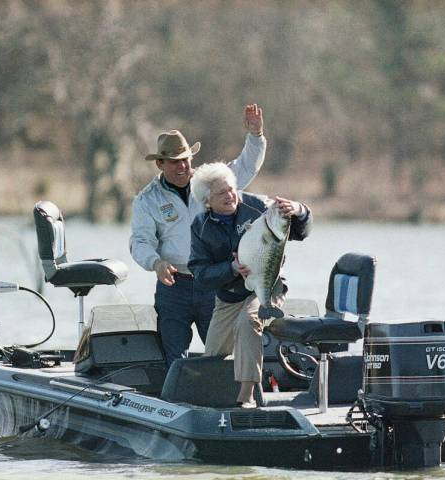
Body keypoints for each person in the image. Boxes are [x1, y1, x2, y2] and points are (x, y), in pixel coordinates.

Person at [130, 105, 266, 367]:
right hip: (174, 287)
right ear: (160, 163)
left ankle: (230, 403)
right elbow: (140, 241)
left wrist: (255, 135)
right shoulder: (147, 199)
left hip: (214, 280)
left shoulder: (210, 183)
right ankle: (175, 405)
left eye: (186, 159)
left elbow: (246, 166)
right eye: (174, 161)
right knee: (174, 358)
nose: (182, 166)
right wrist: (155, 263)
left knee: (221, 357)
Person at [187, 162, 312, 407]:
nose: (230, 195)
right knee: (213, 353)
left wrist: (299, 210)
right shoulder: (200, 226)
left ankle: (247, 397)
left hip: (267, 286)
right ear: (207, 201)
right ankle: (215, 401)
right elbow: (200, 273)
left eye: (231, 189)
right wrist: (231, 268)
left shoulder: (257, 206)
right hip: (229, 296)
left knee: (248, 321)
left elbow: (299, 231)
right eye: (221, 193)